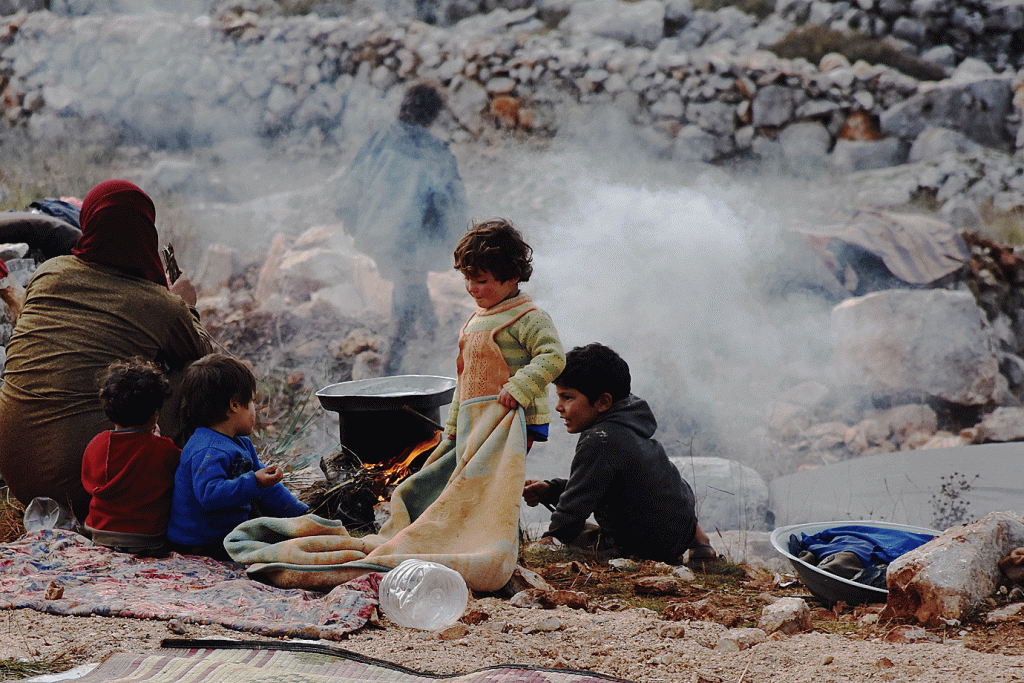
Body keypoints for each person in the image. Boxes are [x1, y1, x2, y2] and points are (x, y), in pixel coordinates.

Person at [0, 179, 212, 521]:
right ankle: (189, 493)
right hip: (91, 484)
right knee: (201, 378)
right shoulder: (160, 305)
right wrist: (186, 307)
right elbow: (201, 353)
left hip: (17, 472)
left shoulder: (49, 272)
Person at [523, 343, 716, 564]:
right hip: (681, 533)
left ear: (603, 401)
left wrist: (550, 543)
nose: (558, 406)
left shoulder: (600, 439)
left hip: (641, 548)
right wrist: (552, 490)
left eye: (568, 397)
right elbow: (601, 485)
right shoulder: (631, 423)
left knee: (578, 537)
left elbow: (574, 507)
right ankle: (702, 544)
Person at [334, 81, 467, 374]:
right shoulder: (436, 152)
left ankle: (429, 338)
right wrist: (456, 239)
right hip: (412, 240)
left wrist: (348, 216)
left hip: (378, 233)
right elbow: (450, 202)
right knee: (407, 290)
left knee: (409, 285)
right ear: (432, 115)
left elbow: (354, 181)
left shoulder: (381, 139)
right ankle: (394, 365)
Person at [167, 354, 308, 559]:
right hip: (200, 541)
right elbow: (210, 495)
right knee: (276, 552)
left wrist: (300, 514)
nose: (255, 410)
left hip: (227, 533)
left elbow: (268, 489)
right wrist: (255, 482)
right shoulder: (207, 450)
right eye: (251, 401)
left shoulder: (241, 443)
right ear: (234, 405)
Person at [442, 218, 565, 449]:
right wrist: (454, 426)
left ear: (513, 276)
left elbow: (553, 357)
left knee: (498, 481)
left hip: (514, 418)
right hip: (480, 420)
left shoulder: (529, 317)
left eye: (481, 280)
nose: (471, 288)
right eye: (467, 279)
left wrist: (519, 388)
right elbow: (465, 377)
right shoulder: (475, 322)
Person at [81, 360, 180, 554]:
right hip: (148, 540)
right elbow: (181, 472)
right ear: (154, 414)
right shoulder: (164, 449)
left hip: (100, 534)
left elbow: (89, 480)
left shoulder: (96, 443)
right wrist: (156, 441)